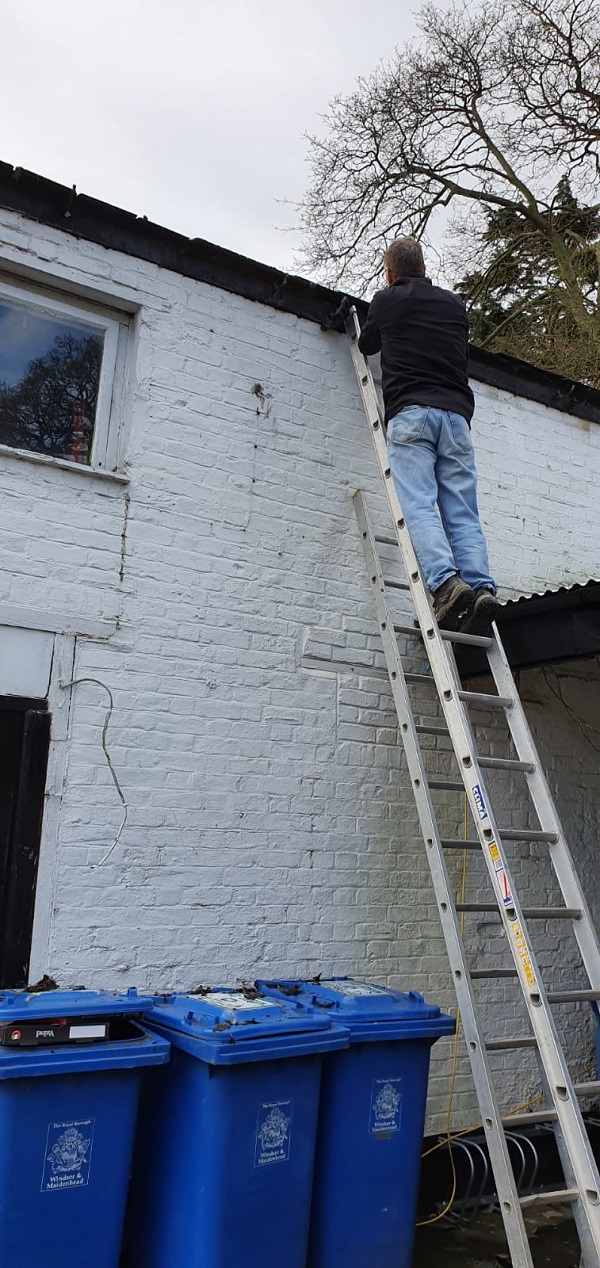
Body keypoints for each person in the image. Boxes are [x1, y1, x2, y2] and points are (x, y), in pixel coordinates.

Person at [358, 236, 498, 635]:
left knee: (418, 503)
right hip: (456, 420)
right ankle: (481, 587)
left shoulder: (386, 300)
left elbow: (367, 342)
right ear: (423, 267)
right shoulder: (454, 304)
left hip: (412, 415)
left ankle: (446, 584)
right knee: (462, 511)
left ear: (390, 273)